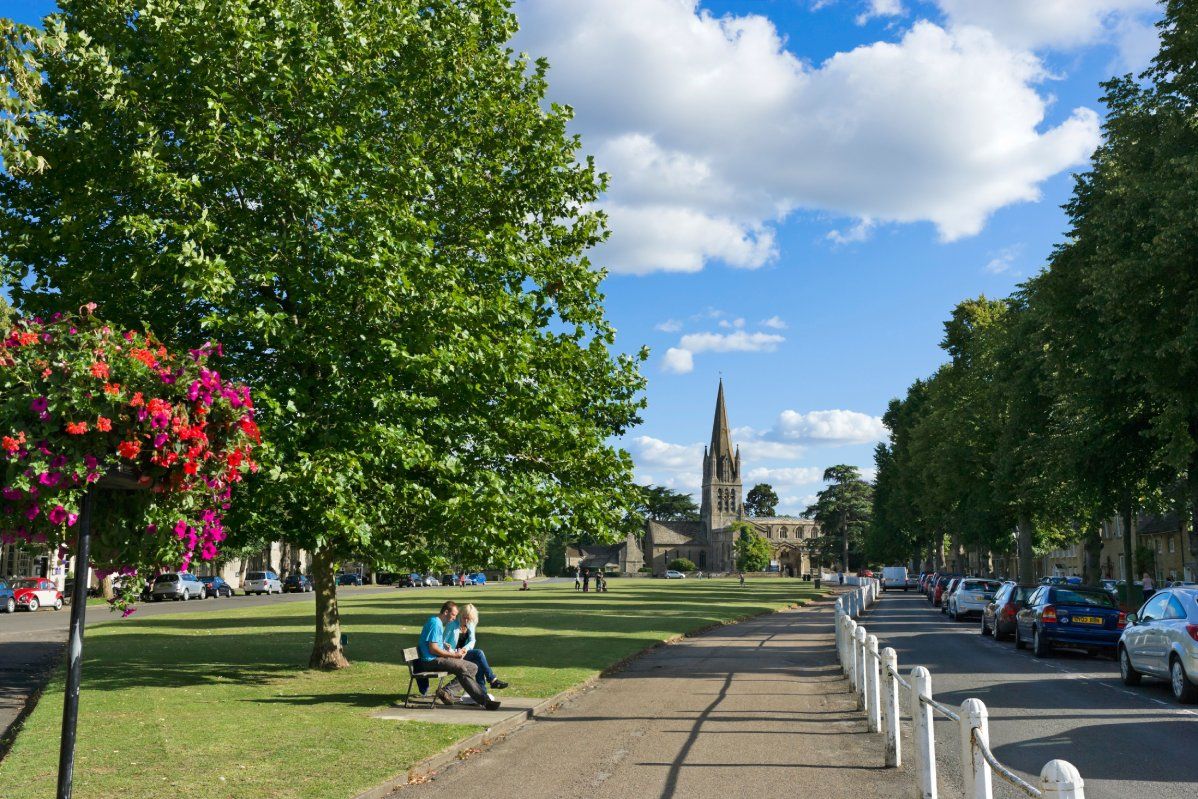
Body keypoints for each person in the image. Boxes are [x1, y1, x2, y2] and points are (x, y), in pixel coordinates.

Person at [408, 600, 500, 710]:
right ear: (446, 612)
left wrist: (445, 646)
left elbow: (435, 645)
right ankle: (485, 701)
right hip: (429, 661)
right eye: (453, 615)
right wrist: (454, 655)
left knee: (472, 667)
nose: (454, 618)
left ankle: (446, 692)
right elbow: (433, 649)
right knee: (461, 667)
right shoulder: (435, 623)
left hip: (435, 658)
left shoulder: (437, 622)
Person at [447, 603, 509, 704]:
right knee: (479, 654)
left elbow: (472, 641)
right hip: (452, 655)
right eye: (464, 618)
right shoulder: (452, 625)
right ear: (460, 614)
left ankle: (483, 693)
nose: (466, 621)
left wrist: (464, 650)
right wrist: (454, 652)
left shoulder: (470, 624)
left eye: (469, 619)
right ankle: (492, 680)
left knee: (478, 661)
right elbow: (444, 642)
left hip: (463, 654)